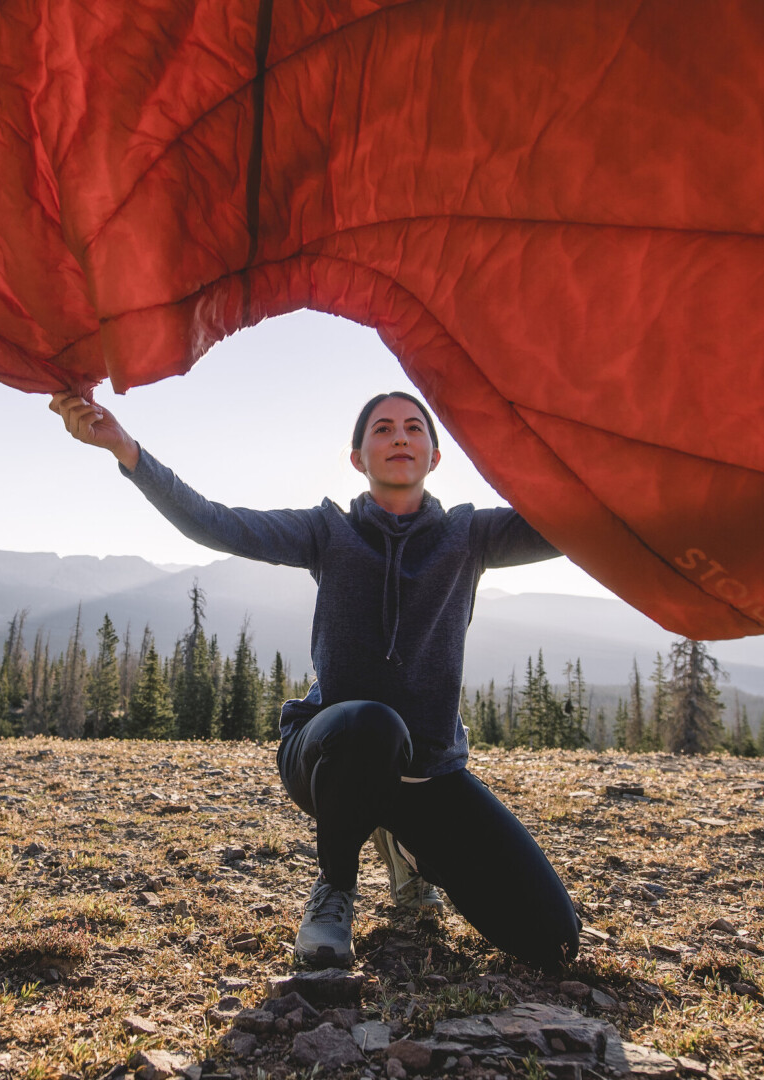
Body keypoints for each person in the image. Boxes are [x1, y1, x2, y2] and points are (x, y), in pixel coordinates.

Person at [49, 388, 581, 969]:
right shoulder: (329, 532)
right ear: (358, 458)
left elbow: (580, 523)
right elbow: (216, 523)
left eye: (413, 428)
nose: (399, 436)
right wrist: (125, 450)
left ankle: (407, 845)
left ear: (434, 456)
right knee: (373, 725)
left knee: (551, 940)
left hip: (428, 773)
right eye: (381, 429)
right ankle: (335, 889)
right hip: (329, 753)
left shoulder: (470, 537)